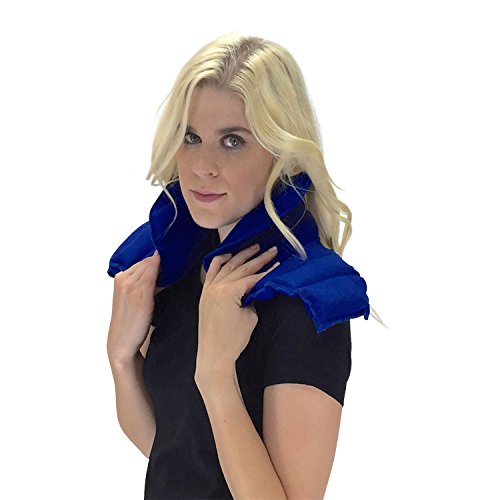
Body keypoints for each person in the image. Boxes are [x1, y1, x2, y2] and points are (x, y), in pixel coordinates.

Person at [107, 31, 384, 499]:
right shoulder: (172, 270)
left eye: (232, 141)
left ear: (282, 153)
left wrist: (216, 375)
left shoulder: (306, 302)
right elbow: (172, 452)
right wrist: (120, 359)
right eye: (191, 137)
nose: (202, 166)